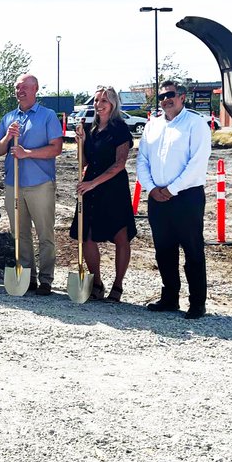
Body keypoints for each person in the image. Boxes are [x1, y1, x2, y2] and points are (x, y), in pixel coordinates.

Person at [136, 80, 212, 319]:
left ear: (182, 97)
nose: (166, 99)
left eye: (170, 94)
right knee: (164, 251)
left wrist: (173, 189)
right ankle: (170, 298)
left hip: (186, 197)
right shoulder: (152, 126)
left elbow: (197, 162)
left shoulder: (196, 124)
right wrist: (151, 188)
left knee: (192, 251)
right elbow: (142, 160)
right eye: (162, 96)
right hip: (157, 197)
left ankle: (197, 303)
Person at [0, 73, 64, 295]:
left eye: (25, 87)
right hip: (13, 183)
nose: (20, 91)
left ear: (36, 89)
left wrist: (27, 153)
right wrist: (7, 137)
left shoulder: (47, 116)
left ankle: (46, 279)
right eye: (17, 88)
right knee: (20, 233)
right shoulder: (8, 118)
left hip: (40, 184)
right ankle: (27, 276)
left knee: (45, 234)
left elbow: (56, 148)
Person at [68, 85, 137, 302]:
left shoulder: (120, 129)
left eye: (104, 101)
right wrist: (81, 143)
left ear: (113, 103)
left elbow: (119, 164)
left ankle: (118, 285)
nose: (99, 105)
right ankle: (96, 282)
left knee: (120, 236)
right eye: (97, 100)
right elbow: (84, 162)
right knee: (86, 235)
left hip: (113, 188)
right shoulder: (91, 129)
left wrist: (93, 183)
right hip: (91, 187)